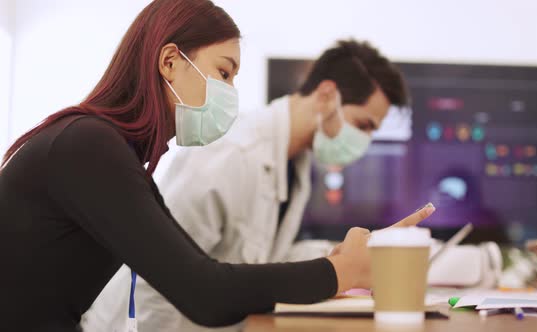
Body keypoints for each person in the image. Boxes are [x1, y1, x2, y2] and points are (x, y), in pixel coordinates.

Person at [0, 1, 435, 331]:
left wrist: (340, 261)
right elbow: (203, 291)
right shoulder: (89, 145)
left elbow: (204, 272)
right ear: (169, 62)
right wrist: (341, 272)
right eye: (224, 73)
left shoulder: (115, 152)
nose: (230, 93)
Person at [83, 40, 424, 332]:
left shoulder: (296, 162)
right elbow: (154, 279)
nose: (364, 141)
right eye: (363, 125)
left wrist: (348, 257)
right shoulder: (233, 155)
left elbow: (266, 257)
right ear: (326, 95)